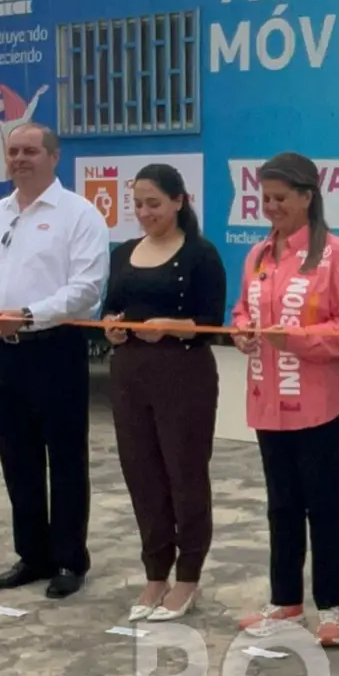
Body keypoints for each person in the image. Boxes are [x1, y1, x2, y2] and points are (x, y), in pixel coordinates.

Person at [0, 122, 110, 599]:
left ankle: (68, 559)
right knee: (16, 458)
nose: (20, 159)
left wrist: (25, 315)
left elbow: (85, 290)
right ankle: (32, 554)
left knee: (64, 458)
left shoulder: (79, 215)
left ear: (53, 157)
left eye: (30, 151)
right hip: (2, 351)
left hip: (54, 347)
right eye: (14, 151)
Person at [229, 151, 339, 646]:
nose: (270, 207)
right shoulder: (258, 255)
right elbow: (241, 310)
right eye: (264, 198)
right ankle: (285, 601)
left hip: (319, 406)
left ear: (308, 198)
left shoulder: (335, 254)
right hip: (268, 402)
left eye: (281, 198)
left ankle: (330, 609)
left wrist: (297, 340)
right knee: (281, 505)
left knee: (324, 506)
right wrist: (243, 332)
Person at [101, 163, 226, 623]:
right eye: (138, 204)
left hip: (183, 373)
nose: (145, 212)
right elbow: (110, 307)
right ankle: (156, 573)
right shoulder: (123, 253)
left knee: (184, 474)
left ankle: (188, 575)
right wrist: (111, 329)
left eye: (154, 203)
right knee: (141, 473)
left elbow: (214, 322)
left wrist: (173, 328)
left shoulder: (200, 254)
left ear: (179, 201)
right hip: (130, 373)